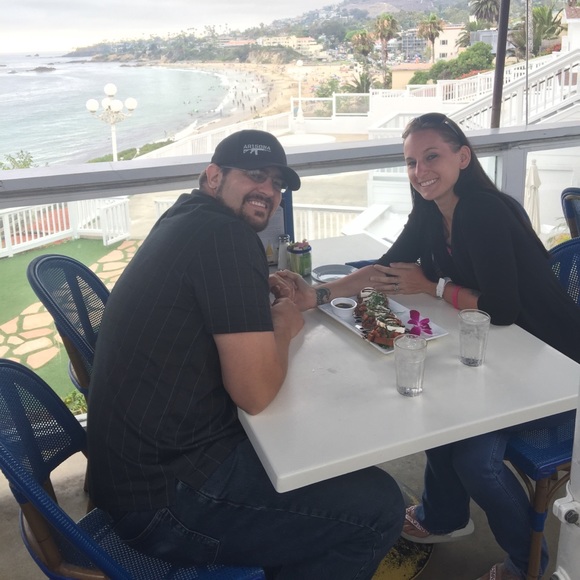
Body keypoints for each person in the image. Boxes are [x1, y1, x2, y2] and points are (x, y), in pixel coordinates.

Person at [87, 129, 404, 580]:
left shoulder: (185, 216)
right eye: (255, 175)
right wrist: (285, 326)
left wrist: (258, 292)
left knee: (306, 451)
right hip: (165, 501)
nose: (269, 191)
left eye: (277, 183)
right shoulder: (227, 237)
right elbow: (255, 394)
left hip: (127, 473)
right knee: (379, 508)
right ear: (214, 176)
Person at [276, 113, 580, 580]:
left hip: (555, 364)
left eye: (431, 156)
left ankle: (527, 566)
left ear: (463, 156)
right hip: (499, 349)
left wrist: (433, 286)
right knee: (438, 404)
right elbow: (385, 269)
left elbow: (502, 308)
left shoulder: (483, 210)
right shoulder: (432, 211)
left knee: (475, 458)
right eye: (411, 162)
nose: (420, 171)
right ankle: (444, 516)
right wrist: (315, 296)